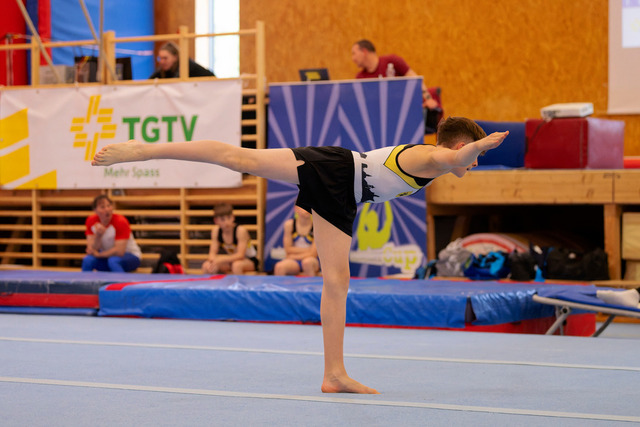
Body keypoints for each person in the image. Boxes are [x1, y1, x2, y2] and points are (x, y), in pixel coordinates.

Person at [92, 116, 509, 394]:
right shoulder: (430, 157)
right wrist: (479, 146)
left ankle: (334, 374)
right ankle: (143, 150)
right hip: (336, 170)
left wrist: (474, 147)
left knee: (337, 282)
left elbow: (455, 155)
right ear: (463, 145)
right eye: (476, 155)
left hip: (343, 196)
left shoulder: (436, 165)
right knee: (240, 158)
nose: (475, 163)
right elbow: (454, 156)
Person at [351, 39, 440, 110]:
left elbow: (416, 80)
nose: (353, 58)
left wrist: (428, 98)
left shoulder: (392, 61)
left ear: (364, 51)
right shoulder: (360, 78)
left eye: (354, 53)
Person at [82, 194, 142, 272]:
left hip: (130, 255)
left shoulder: (120, 221)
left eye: (109, 206)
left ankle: (121, 280)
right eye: (102, 207)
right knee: (88, 260)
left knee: (113, 261)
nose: (107, 209)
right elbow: (91, 249)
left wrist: (99, 255)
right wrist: (98, 236)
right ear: (95, 210)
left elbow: (119, 251)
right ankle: (85, 280)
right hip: (107, 257)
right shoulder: (91, 221)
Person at [201, 203, 259, 275]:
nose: (227, 222)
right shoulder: (216, 231)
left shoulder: (240, 231)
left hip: (249, 260)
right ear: (216, 221)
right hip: (231, 261)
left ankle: (239, 283)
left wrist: (221, 259)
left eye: (229, 217)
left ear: (233, 217)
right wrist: (213, 262)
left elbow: (240, 255)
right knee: (206, 265)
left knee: (236, 265)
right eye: (222, 219)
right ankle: (211, 282)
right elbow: (211, 254)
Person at [273, 206, 320, 276]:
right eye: (303, 206)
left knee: (307, 263)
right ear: (296, 209)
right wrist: (308, 250)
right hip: (294, 261)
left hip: (311, 260)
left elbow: (313, 254)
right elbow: (288, 249)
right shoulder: (289, 225)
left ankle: (311, 283)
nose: (307, 209)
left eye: (309, 206)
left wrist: (292, 256)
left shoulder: (317, 226)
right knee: (279, 267)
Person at [149, 41, 215, 79]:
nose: (162, 61)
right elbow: (149, 83)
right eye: (160, 58)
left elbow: (211, 78)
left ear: (175, 57)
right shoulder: (162, 70)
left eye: (165, 58)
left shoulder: (188, 66)